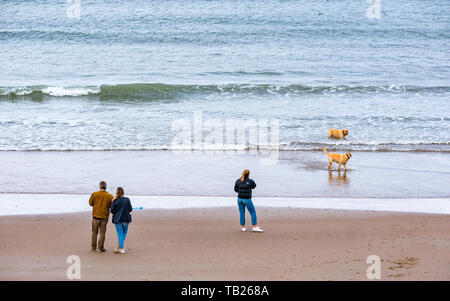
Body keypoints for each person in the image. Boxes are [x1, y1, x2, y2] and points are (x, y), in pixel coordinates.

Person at [89, 181, 114, 252]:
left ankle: (93, 248)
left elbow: (90, 203)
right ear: (105, 187)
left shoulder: (95, 194)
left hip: (95, 216)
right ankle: (101, 247)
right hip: (104, 217)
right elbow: (112, 206)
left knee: (94, 232)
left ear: (100, 186)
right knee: (102, 233)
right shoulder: (109, 196)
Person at [110, 187, 133, 254]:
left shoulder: (114, 200)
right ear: (123, 192)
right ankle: (121, 247)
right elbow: (130, 209)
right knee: (124, 233)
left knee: (120, 233)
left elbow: (112, 211)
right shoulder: (127, 200)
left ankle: (121, 248)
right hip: (126, 219)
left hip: (117, 219)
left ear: (117, 192)